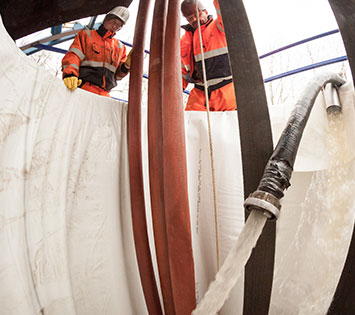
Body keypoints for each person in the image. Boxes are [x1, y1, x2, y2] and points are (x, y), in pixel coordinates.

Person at [62, 6, 132, 97]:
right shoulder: (86, 36)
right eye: (113, 22)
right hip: (83, 88)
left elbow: (118, 76)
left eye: (119, 26)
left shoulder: (120, 48)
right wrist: (70, 74)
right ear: (105, 19)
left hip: (105, 94)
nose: (115, 27)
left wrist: (126, 66)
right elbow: (73, 55)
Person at [180, 0, 236, 111]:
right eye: (190, 18)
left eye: (197, 14)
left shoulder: (220, 27)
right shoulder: (184, 42)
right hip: (200, 95)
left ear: (205, 12)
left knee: (228, 125)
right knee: (190, 122)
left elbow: (225, 8)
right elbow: (181, 73)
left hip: (226, 92)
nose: (194, 20)